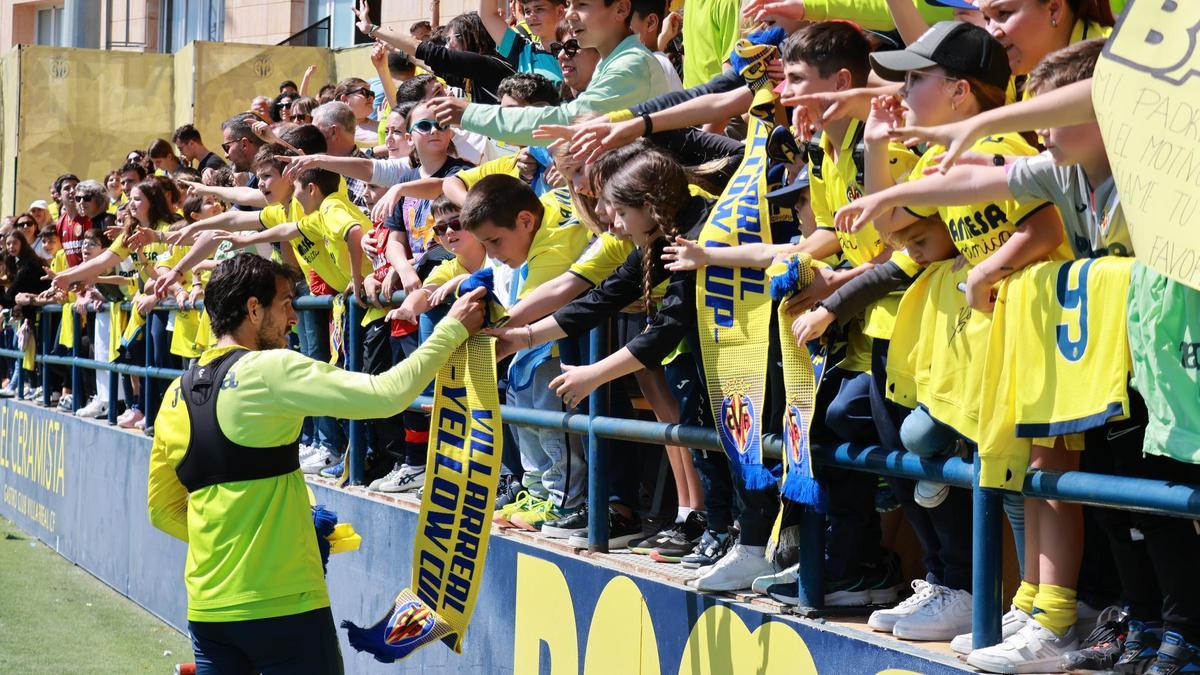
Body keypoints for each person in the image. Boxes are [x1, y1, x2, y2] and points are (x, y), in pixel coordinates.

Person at [146, 252, 485, 675]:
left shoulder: (174, 395)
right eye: (286, 302)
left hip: (208, 610)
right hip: (284, 606)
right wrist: (452, 328)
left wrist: (240, 540)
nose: (294, 315)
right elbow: (385, 395)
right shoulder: (271, 368)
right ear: (254, 309)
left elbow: (162, 511)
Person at [460, 174, 590, 531]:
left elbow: (520, 315)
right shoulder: (535, 210)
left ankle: (563, 501)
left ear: (525, 222)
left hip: (556, 346)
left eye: (495, 242)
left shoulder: (556, 244)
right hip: (528, 347)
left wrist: (466, 346)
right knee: (522, 416)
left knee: (552, 423)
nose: (493, 255)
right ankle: (536, 492)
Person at [428, 0, 673, 146]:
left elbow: (568, 121)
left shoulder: (631, 64)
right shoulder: (611, 60)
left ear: (621, 9)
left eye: (582, 4)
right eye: (570, 4)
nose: (569, 14)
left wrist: (470, 113)